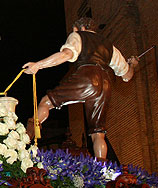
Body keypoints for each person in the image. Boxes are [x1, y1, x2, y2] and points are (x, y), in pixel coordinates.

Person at [22, 17, 138, 160]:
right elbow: (127, 75)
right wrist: (132, 64)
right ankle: (102, 171)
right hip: (105, 83)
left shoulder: (77, 36)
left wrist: (38, 65)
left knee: (46, 102)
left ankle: (24, 139)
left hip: (87, 76)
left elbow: (66, 55)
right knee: (98, 132)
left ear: (79, 28)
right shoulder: (110, 46)